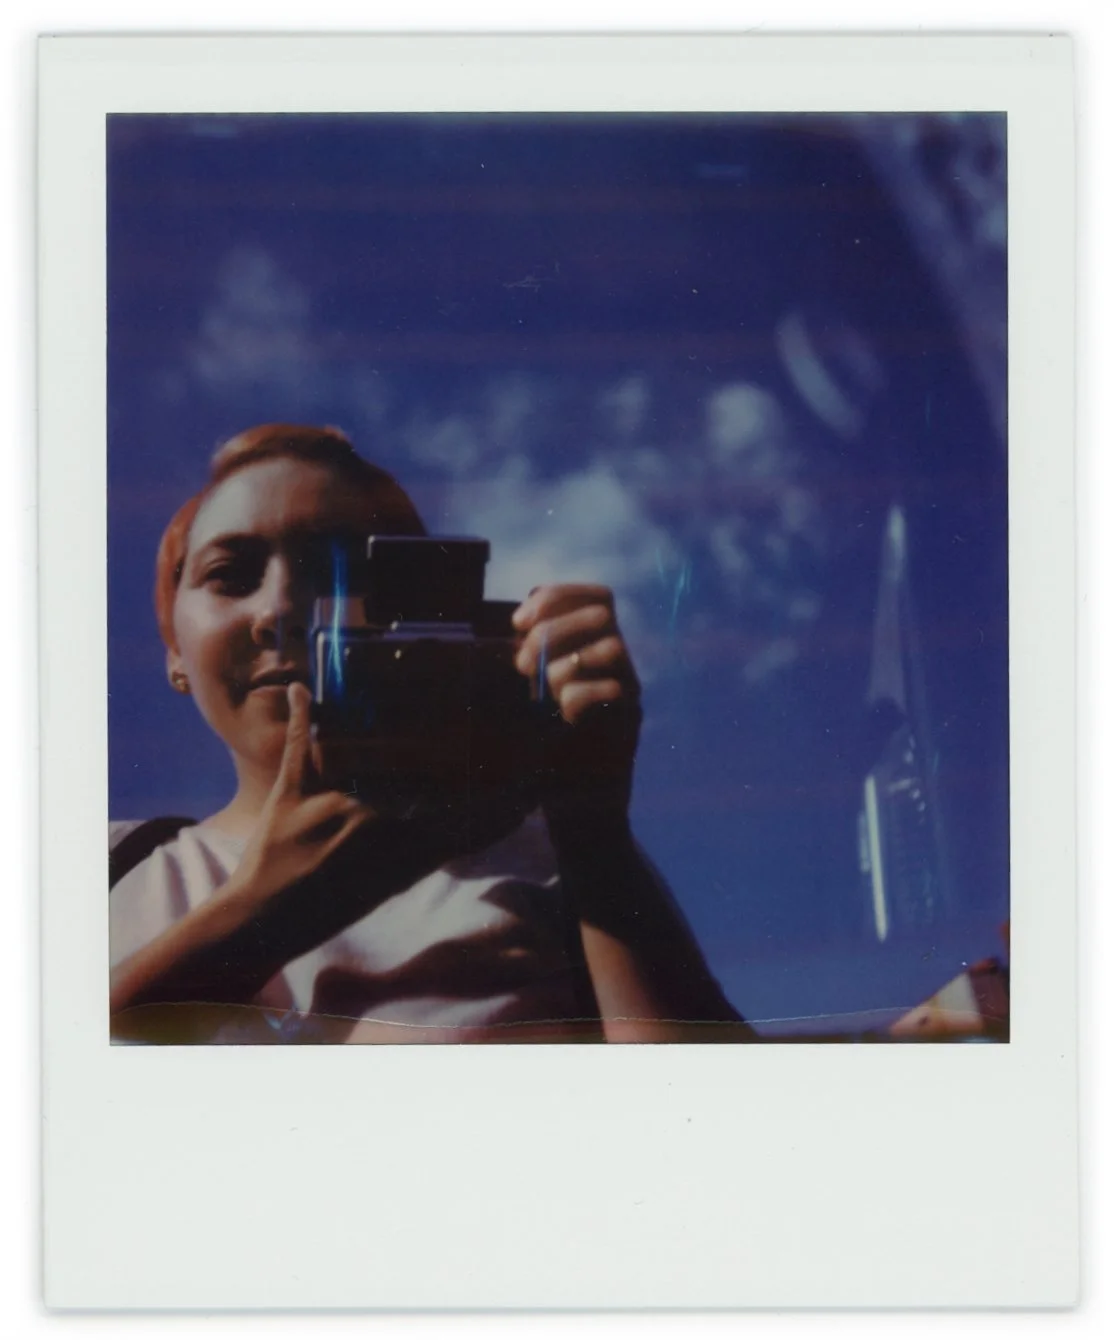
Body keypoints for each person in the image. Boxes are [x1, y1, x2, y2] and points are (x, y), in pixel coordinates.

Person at [109, 424, 751, 1044]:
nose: (280, 609)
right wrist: (265, 910)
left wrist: (593, 828)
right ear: (173, 649)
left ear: (415, 609)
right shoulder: (106, 867)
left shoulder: (554, 859)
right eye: (229, 574)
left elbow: (708, 1117)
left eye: (335, 569)